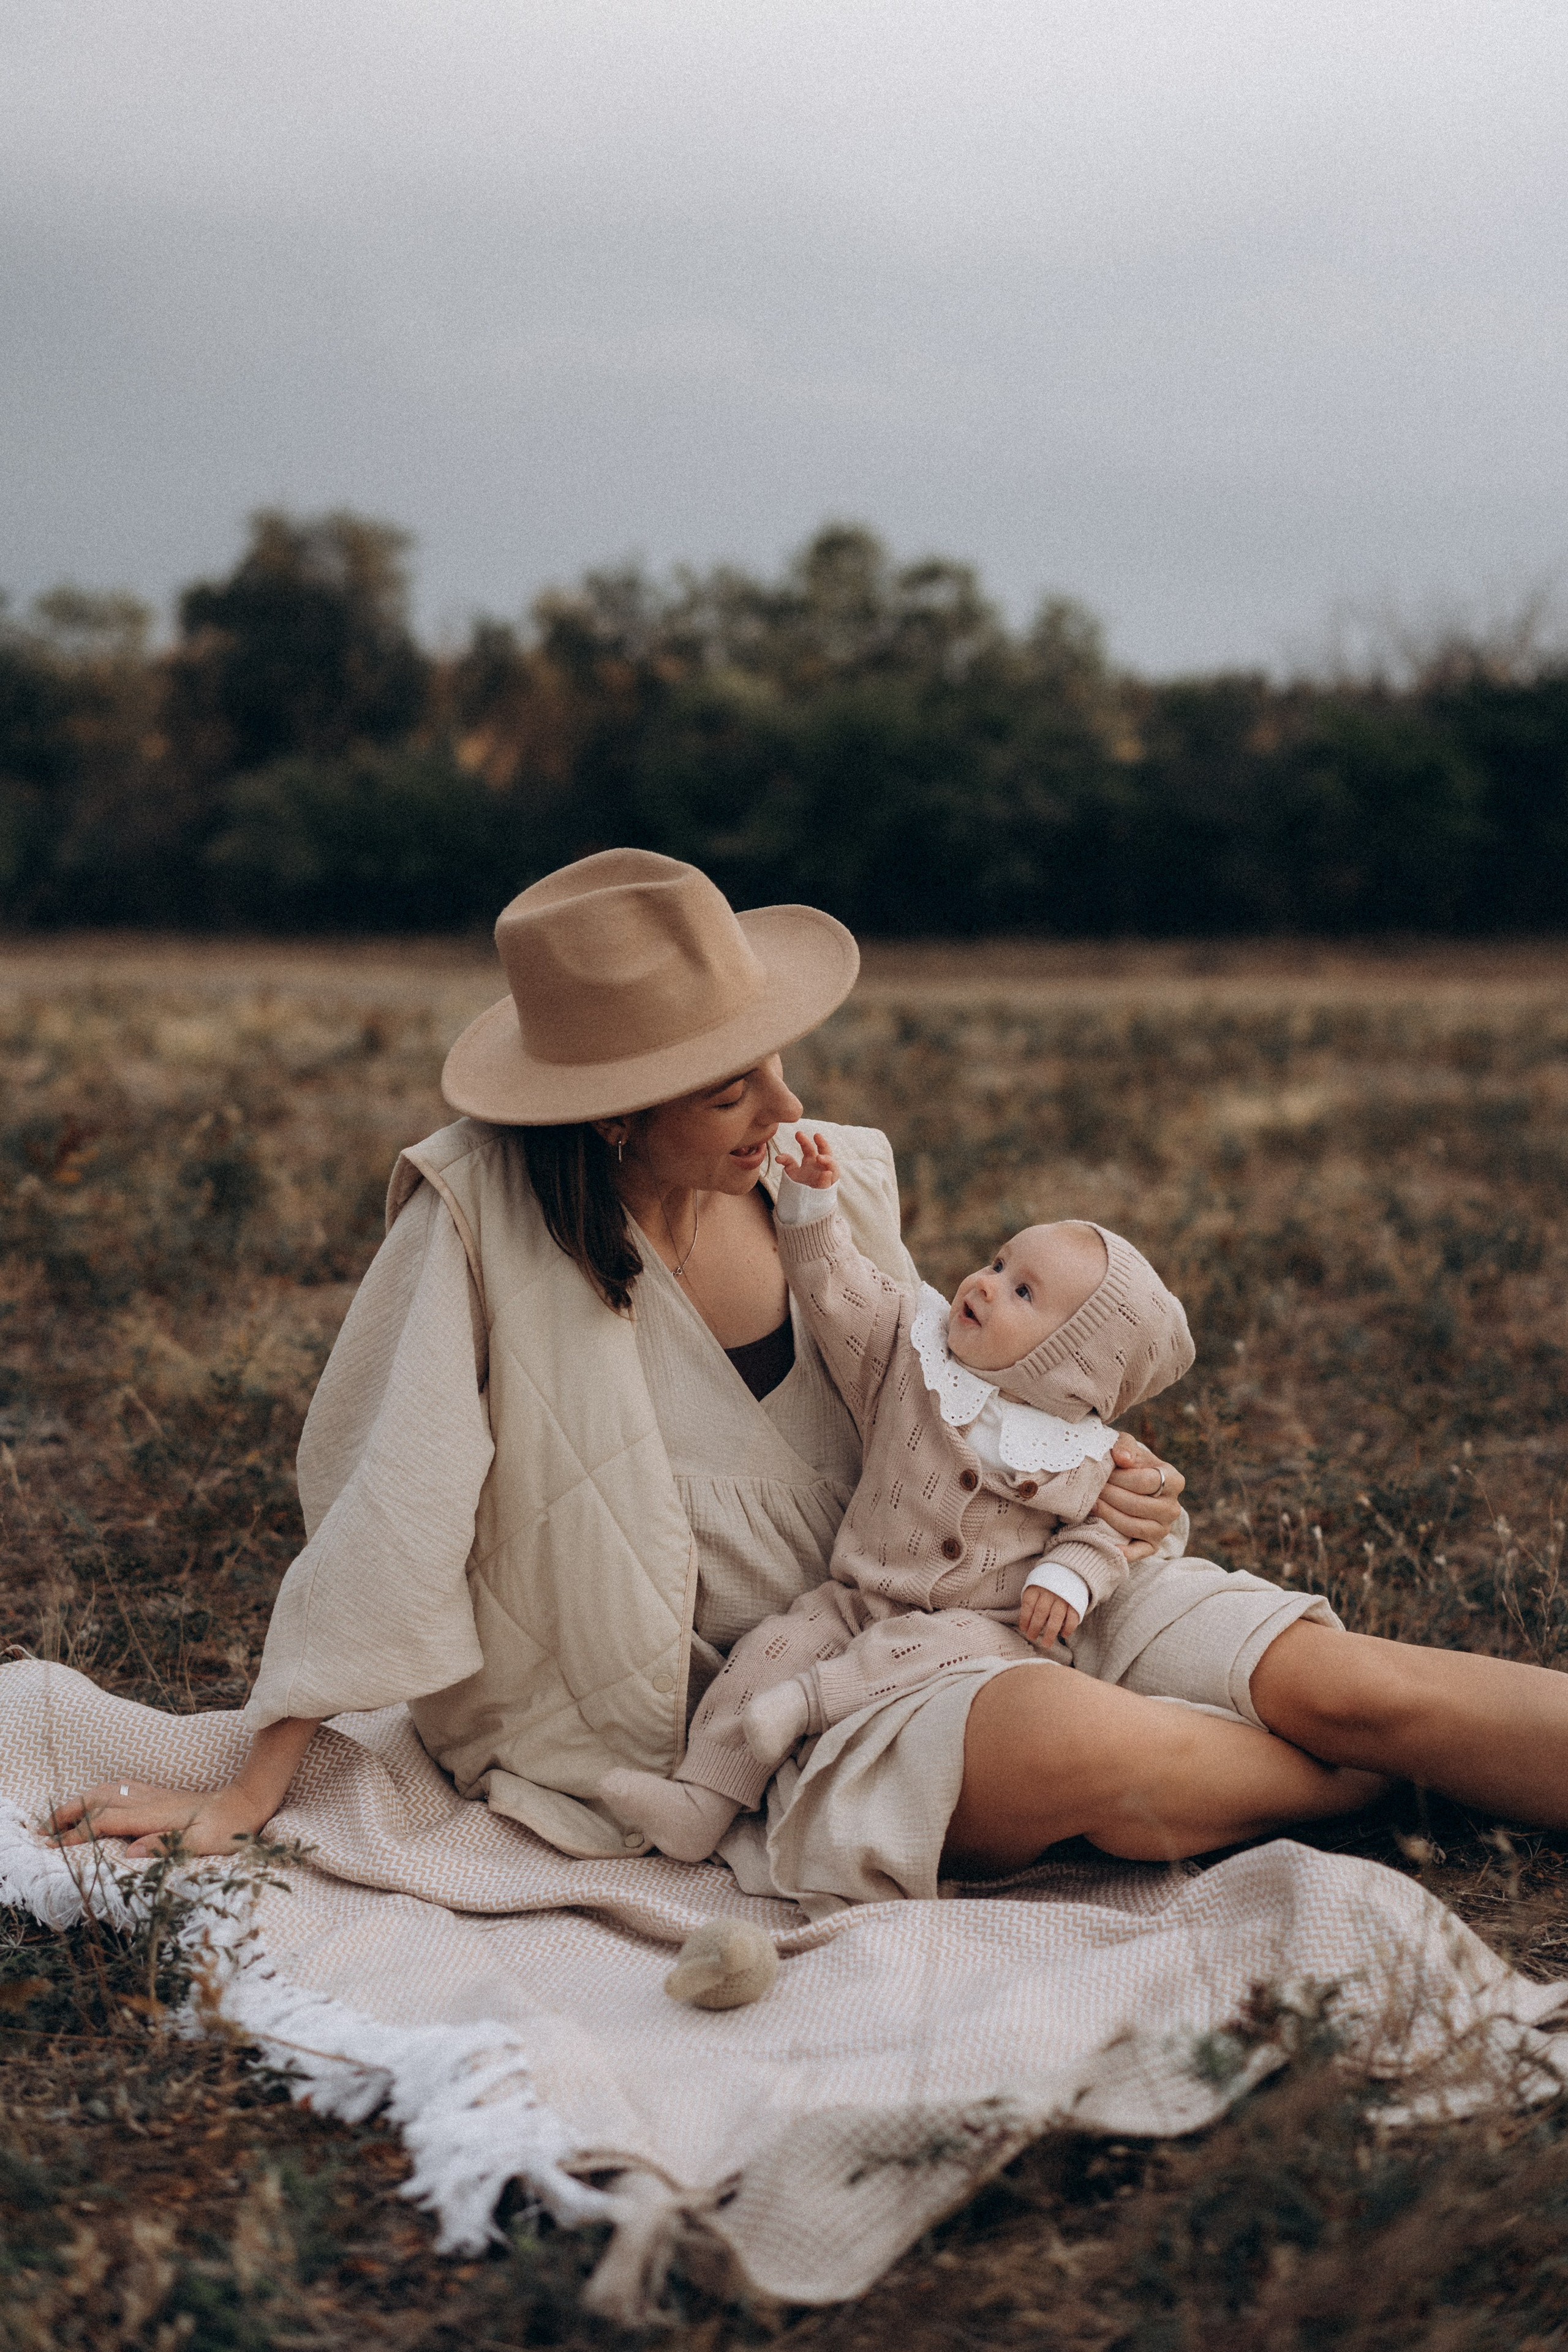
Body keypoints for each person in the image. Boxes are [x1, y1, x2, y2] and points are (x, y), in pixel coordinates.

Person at [46, 850, 1568, 1906]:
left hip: (1026, 1571)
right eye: (731, 1084)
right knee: (1083, 1745)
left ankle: (1389, 1748)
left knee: (1355, 1677)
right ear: (606, 1116)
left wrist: (1102, 1477)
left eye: (777, 1058)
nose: (785, 1102)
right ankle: (1390, 1795)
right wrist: (251, 1786)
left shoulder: (819, 1181)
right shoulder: (476, 1237)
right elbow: (388, 1510)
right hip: (805, 1690)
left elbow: (947, 1395)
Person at [599, 1137, 1305, 1862]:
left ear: (1074, 1368)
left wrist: (1067, 1578)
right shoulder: (913, 1355)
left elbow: (1105, 1534)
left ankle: (809, 1704)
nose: (986, 1284)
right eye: (998, 1263)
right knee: (769, 1648)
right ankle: (701, 1800)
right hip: (859, 1594)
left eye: (1024, 1293)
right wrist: (809, 1206)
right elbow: (834, 1289)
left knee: (934, 1647)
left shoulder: (1083, 1453)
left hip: (989, 1623)